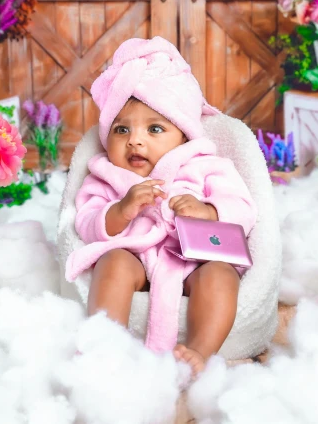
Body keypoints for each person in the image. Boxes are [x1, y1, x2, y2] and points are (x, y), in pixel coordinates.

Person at [65, 36, 257, 375]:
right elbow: (86, 221)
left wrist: (208, 211)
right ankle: (105, 345)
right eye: (121, 129)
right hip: (136, 256)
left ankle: (198, 352)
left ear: (183, 135)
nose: (135, 140)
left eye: (155, 128)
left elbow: (242, 207)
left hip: (194, 260)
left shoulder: (203, 164)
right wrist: (120, 210)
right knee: (112, 263)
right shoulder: (106, 174)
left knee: (221, 275)